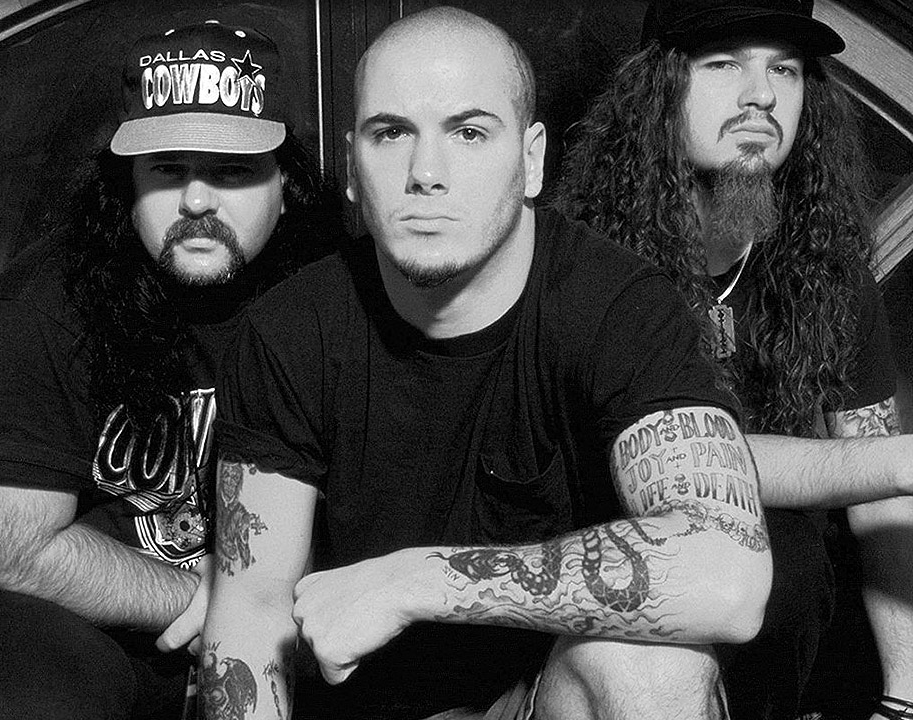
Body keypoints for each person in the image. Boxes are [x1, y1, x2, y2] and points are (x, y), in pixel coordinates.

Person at [203, 7, 774, 720]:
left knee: (655, 665)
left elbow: (729, 576)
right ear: (352, 166)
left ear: (531, 160)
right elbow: (252, 613)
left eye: (469, 133)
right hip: (362, 705)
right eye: (391, 133)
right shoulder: (290, 331)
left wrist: (414, 582)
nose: (426, 174)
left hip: (541, 699)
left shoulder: (615, 305)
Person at [0, 19, 340, 719]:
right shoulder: (37, 309)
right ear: (125, 182)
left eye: (232, 170)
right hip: (74, 622)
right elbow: (20, 552)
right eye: (168, 169)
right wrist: (219, 603)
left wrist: (261, 611)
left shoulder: (333, 301)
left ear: (287, 183)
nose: (196, 201)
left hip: (280, 612)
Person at [556, 1, 913, 718]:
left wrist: (904, 695)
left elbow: (880, 499)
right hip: (631, 649)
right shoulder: (585, 264)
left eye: (785, 69)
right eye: (724, 64)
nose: (761, 95)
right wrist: (888, 463)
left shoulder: (828, 267)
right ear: (658, 89)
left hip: (794, 661)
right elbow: (672, 461)